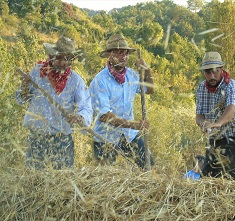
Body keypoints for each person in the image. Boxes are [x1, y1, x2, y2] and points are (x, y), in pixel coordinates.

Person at [16, 35, 92, 170]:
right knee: (35, 183)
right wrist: (25, 86)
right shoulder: (38, 73)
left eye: (67, 58)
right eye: (59, 57)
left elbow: (86, 107)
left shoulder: (76, 81)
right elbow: (22, 99)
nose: (62, 62)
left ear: (71, 60)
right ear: (51, 56)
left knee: (63, 184)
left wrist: (79, 116)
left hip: (62, 141)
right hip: (37, 139)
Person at [89, 33, 154, 169]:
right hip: (105, 138)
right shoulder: (100, 81)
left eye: (126, 53)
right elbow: (105, 117)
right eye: (119, 53)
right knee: (105, 178)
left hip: (129, 135)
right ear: (110, 54)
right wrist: (134, 125)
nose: (123, 57)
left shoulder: (131, 75)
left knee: (149, 167)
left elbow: (149, 90)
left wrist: (147, 71)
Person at [195, 51, 235, 180]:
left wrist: (218, 123)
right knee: (207, 180)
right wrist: (203, 124)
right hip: (215, 141)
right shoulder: (201, 88)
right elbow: (199, 116)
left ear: (221, 69)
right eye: (208, 72)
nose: (212, 76)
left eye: (215, 71)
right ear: (204, 73)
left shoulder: (232, 86)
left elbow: (231, 110)